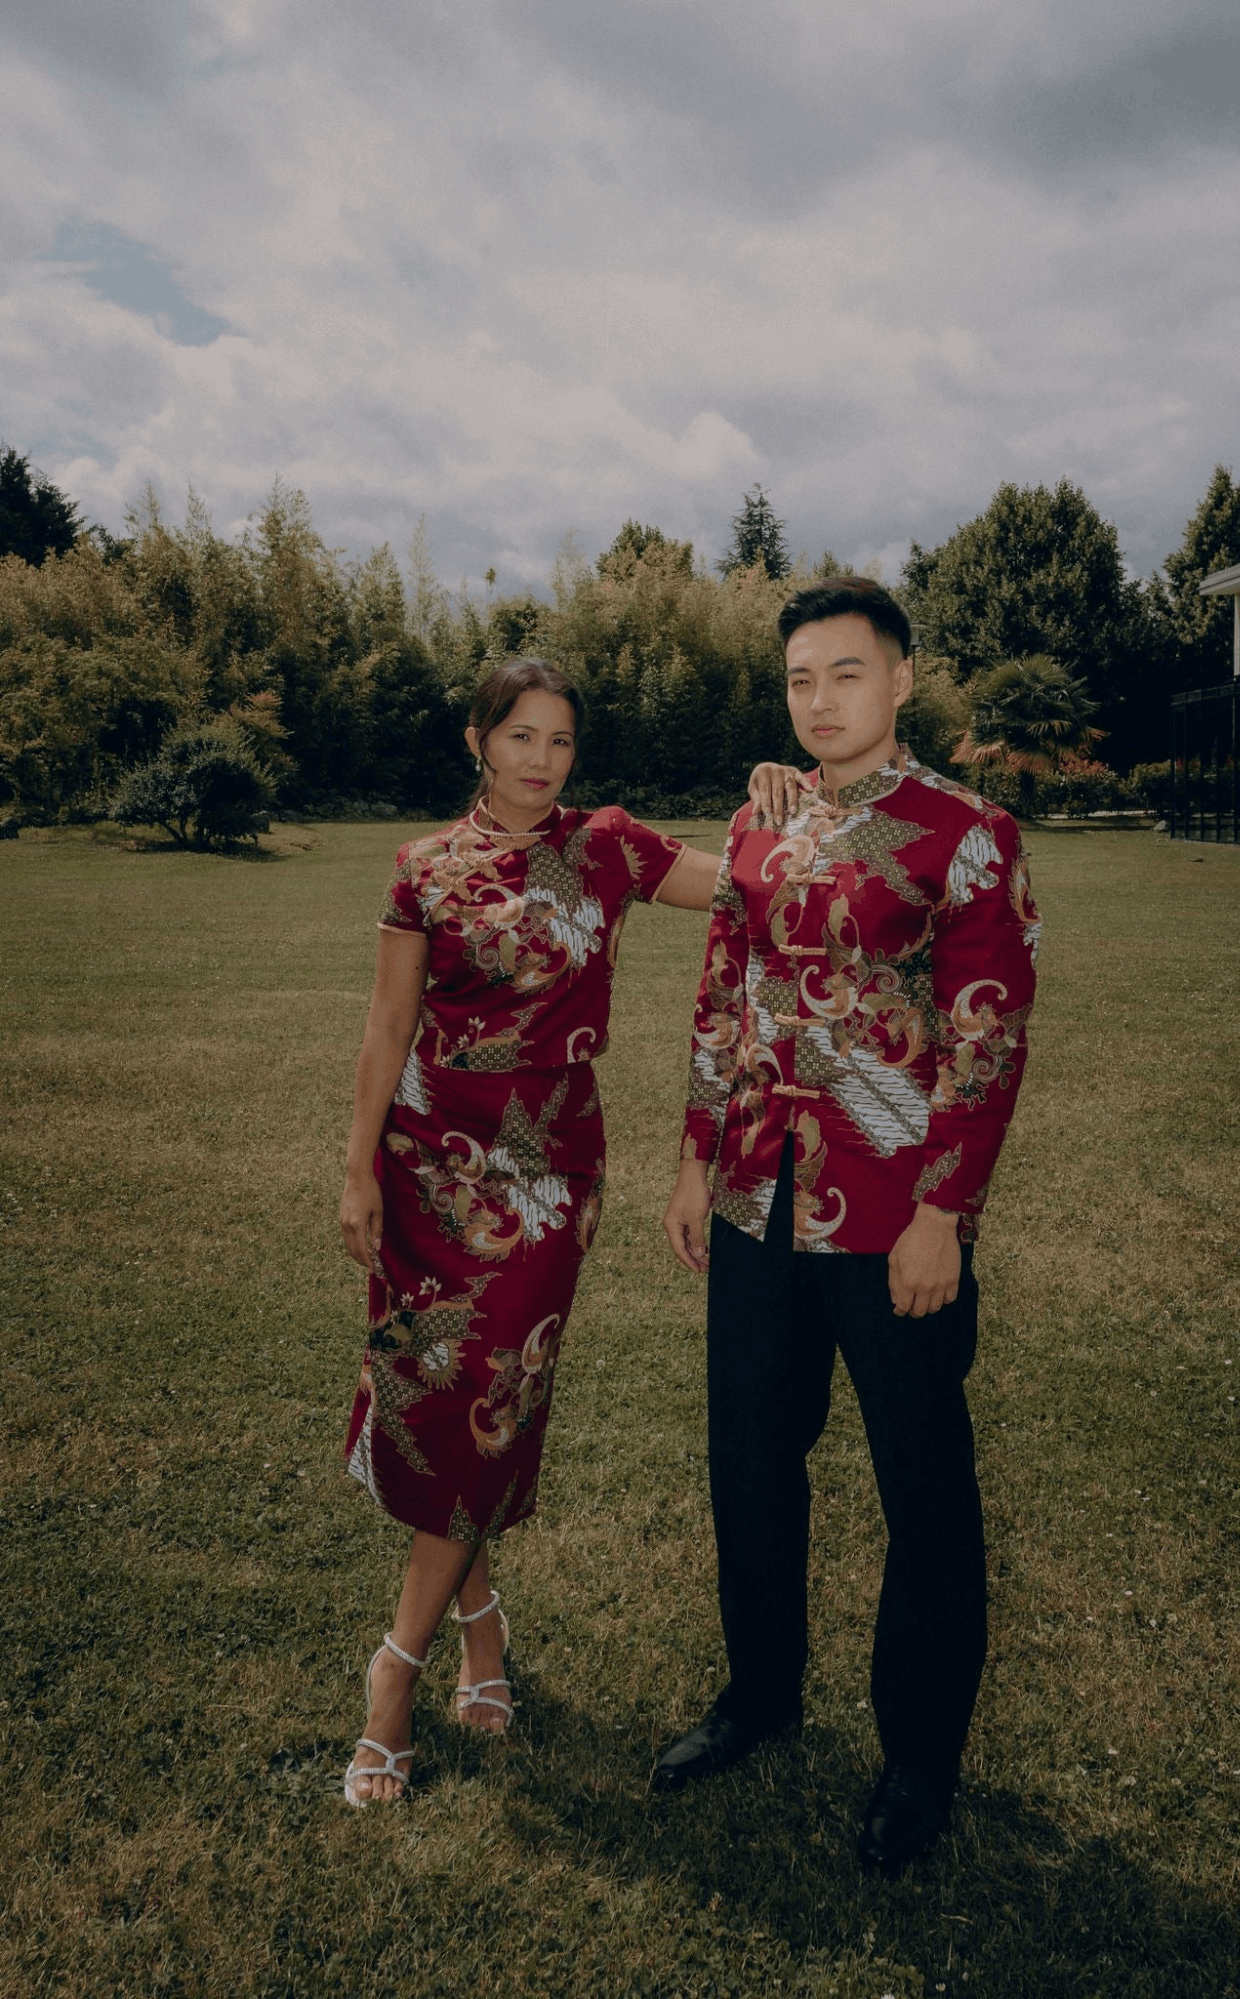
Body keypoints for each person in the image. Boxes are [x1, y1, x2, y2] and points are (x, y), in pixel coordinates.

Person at [339, 656, 797, 1806]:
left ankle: (390, 1673)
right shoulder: (422, 870)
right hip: (425, 1169)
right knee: (446, 1404)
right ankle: (478, 1626)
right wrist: (358, 1171)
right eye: (519, 737)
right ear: (476, 742)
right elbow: (389, 1023)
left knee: (490, 1404)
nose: (540, 760)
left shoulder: (603, 846)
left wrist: (787, 799)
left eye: (559, 740)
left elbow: (744, 882)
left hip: (547, 1178)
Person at [658, 577, 1041, 1876]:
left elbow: (984, 1037)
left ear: (899, 680)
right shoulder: (761, 825)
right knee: (750, 1458)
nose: (820, 699)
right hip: (758, 1200)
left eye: (845, 673)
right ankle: (758, 1692)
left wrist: (945, 1212)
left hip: (893, 1220)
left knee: (921, 1487)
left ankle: (917, 1762)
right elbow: (723, 996)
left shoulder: (964, 832)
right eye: (800, 679)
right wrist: (690, 1158)